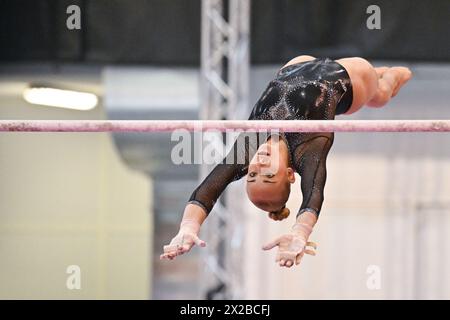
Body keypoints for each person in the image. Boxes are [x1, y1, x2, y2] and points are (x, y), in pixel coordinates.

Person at [160, 55, 412, 268]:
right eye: (269, 175)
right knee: (378, 95)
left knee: (366, 88)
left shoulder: (249, 148)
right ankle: (390, 78)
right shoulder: (309, 147)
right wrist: (300, 232)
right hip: (347, 77)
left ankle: (382, 79)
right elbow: (314, 192)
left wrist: (188, 226)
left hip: (294, 65)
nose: (259, 166)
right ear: (291, 174)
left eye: (252, 175)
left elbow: (209, 188)